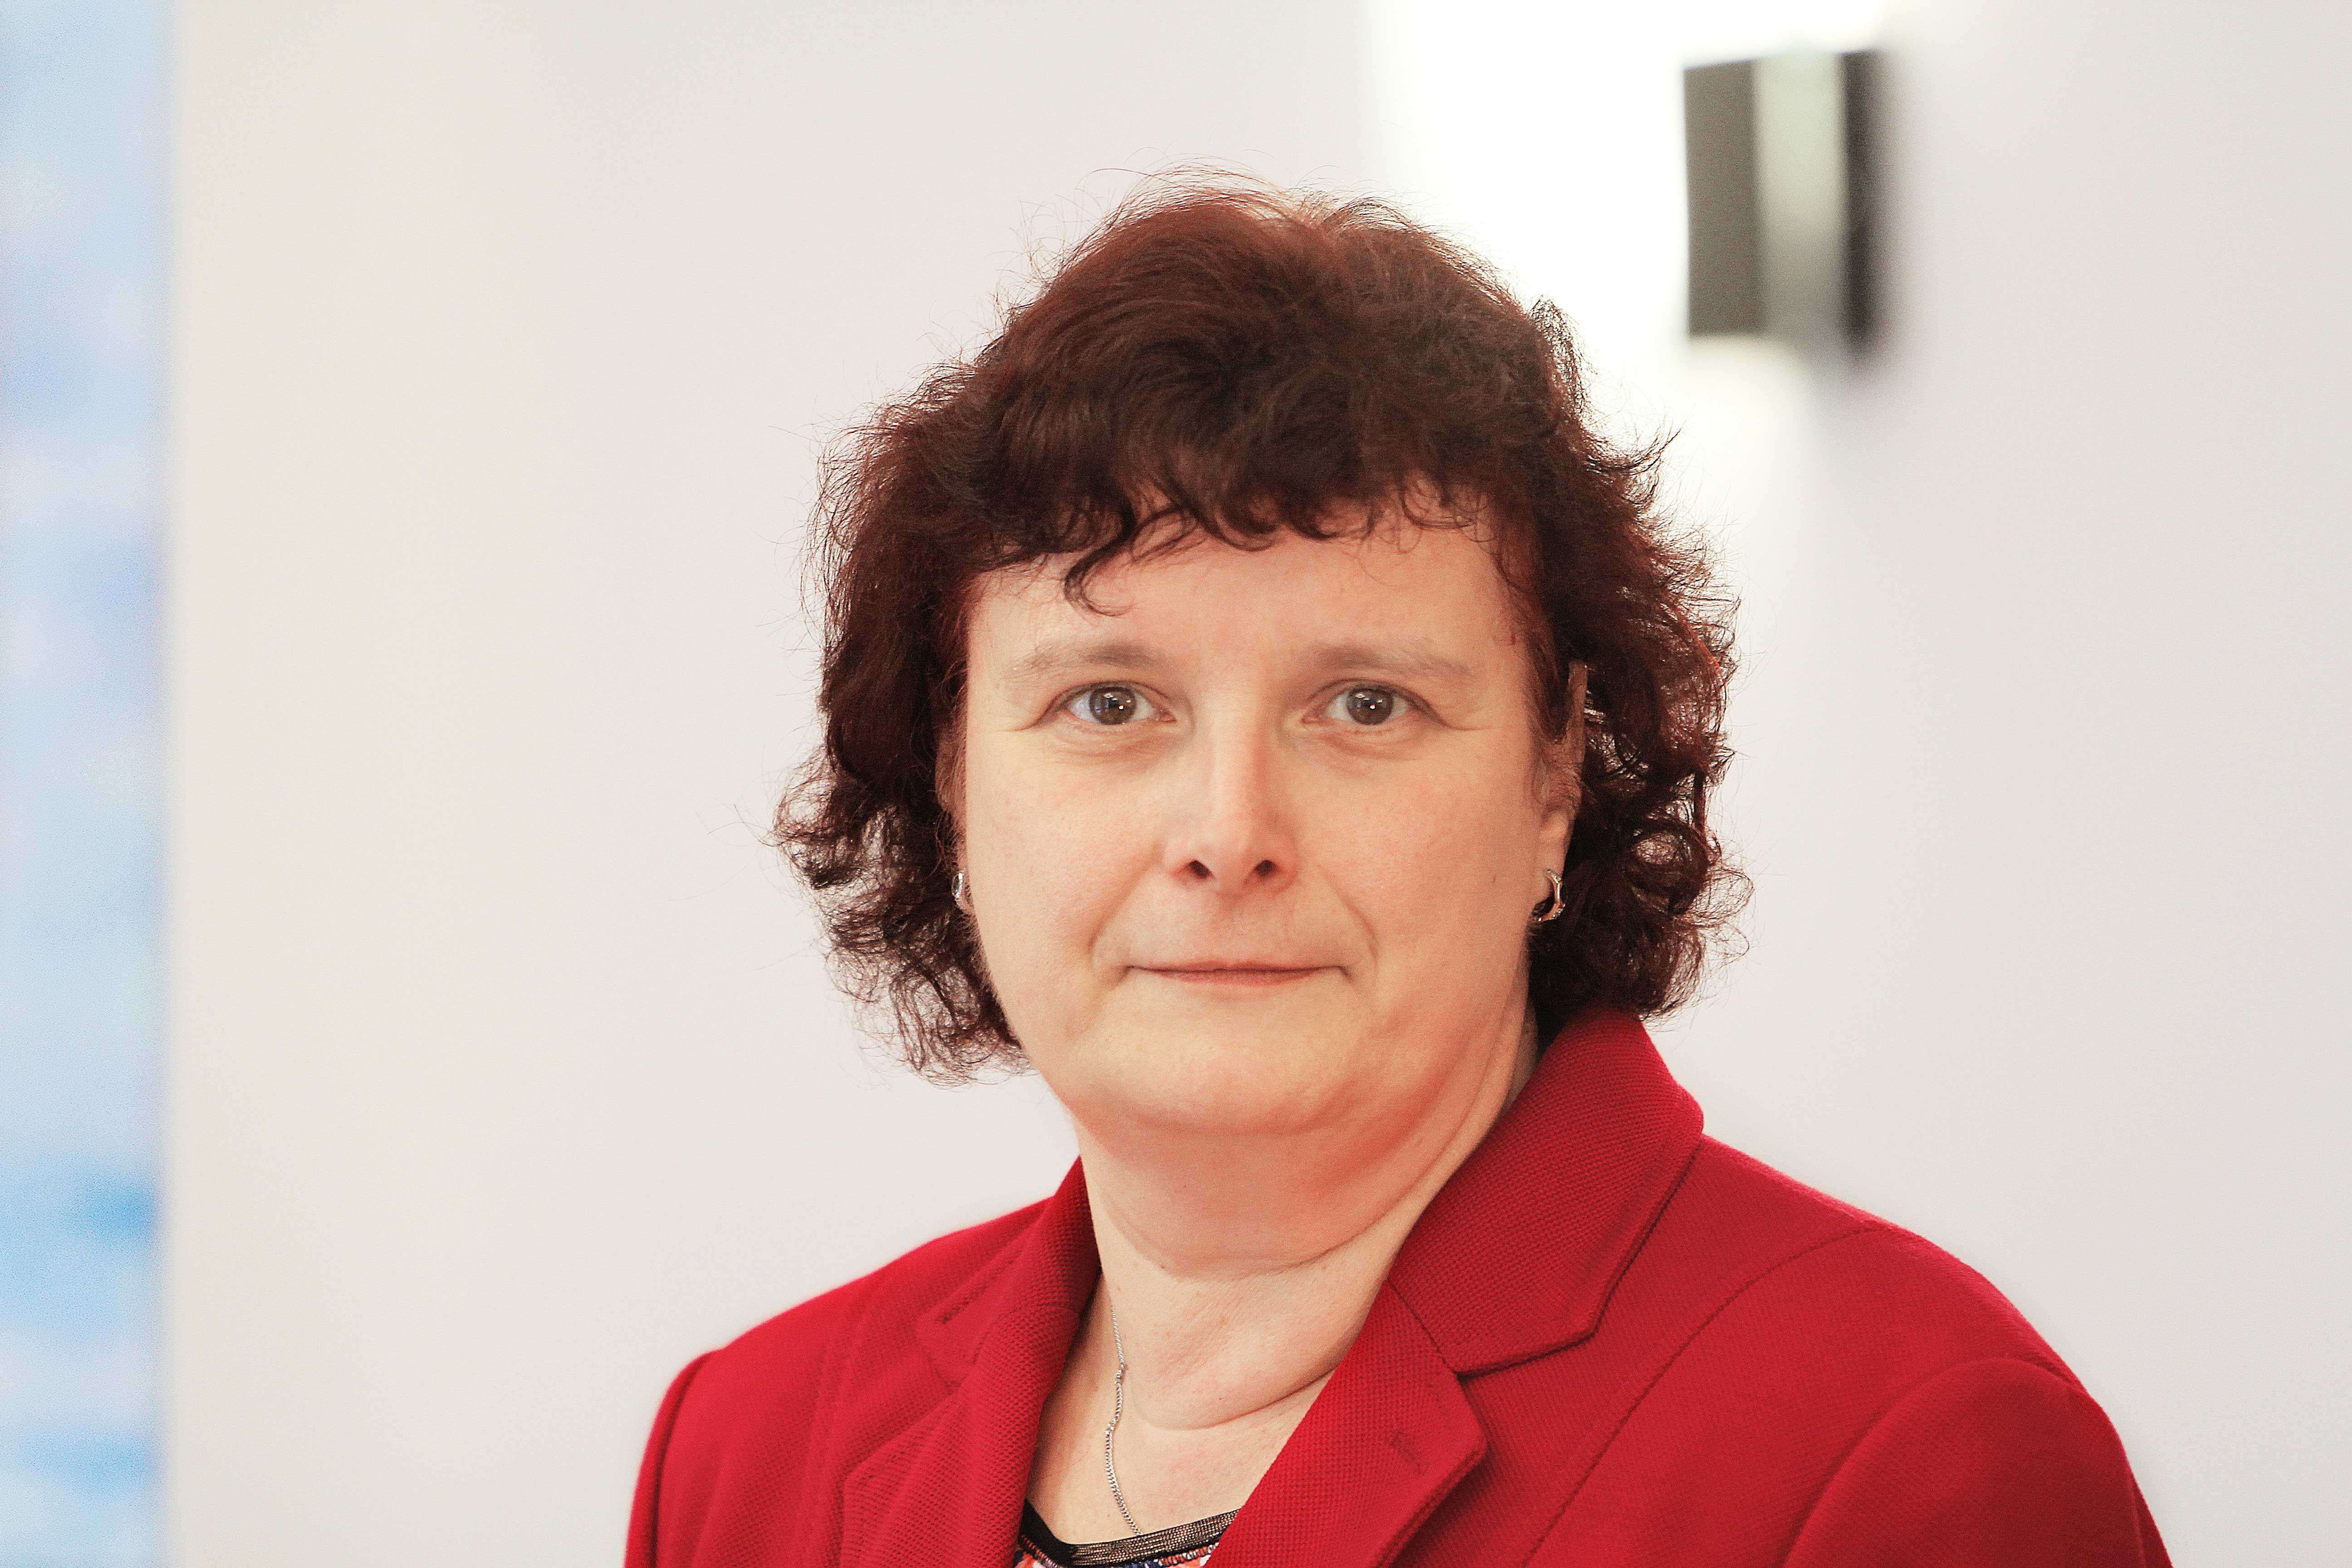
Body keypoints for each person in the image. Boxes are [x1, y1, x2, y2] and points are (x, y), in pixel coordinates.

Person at [624, 182, 2169, 1568]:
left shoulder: (1898, 1444)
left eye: (1365, 704)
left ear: (1557, 776)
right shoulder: (746, 1448)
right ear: (954, 782)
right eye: (1108, 703)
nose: (1227, 831)